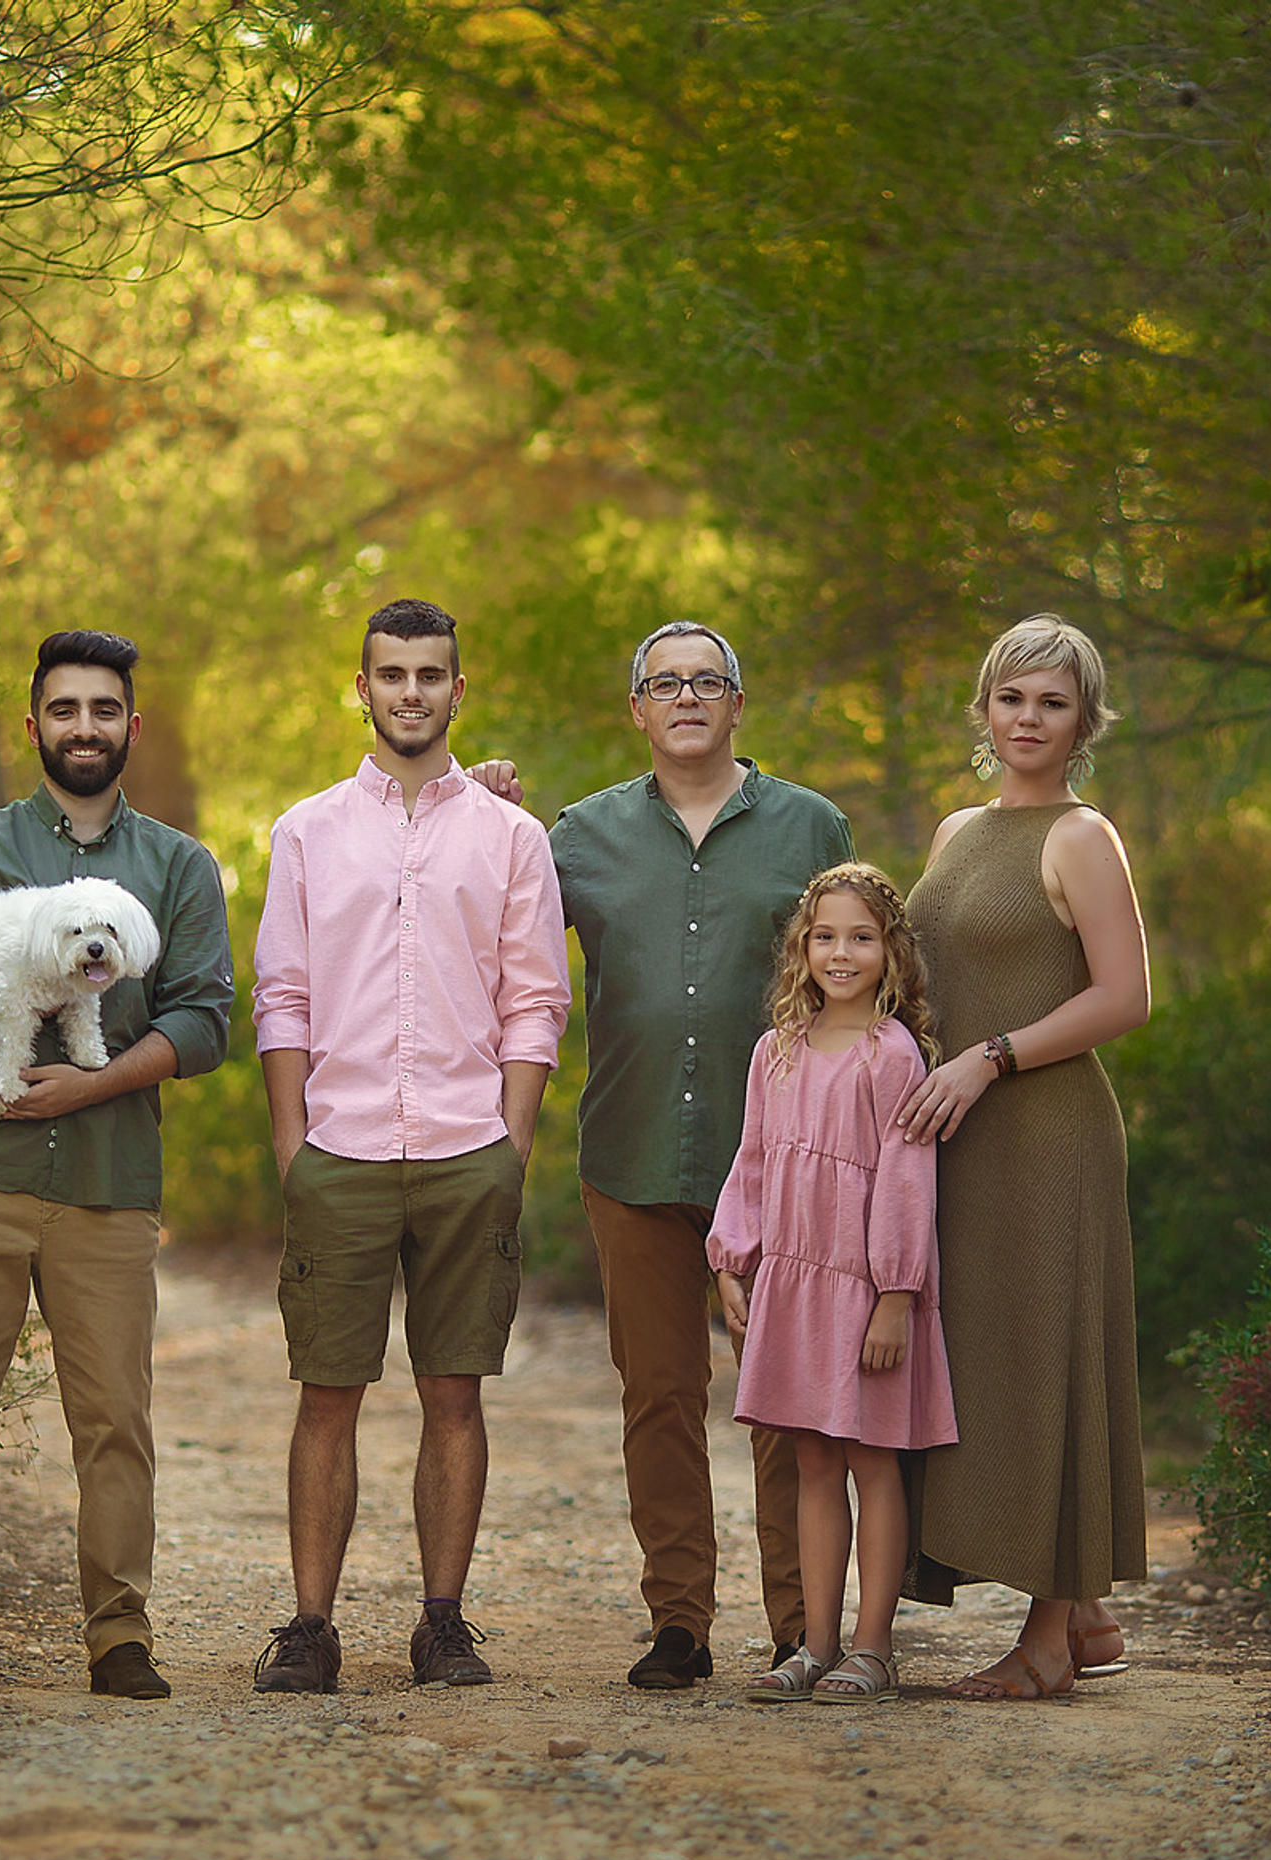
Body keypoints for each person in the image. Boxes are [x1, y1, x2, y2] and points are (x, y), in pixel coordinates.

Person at [0, 628, 234, 1701]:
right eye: (64, 710)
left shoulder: (178, 866)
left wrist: (93, 1080)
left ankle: (120, 1637)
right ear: (36, 726)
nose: (84, 728)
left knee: (114, 1420)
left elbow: (205, 1021)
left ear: (131, 728)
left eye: (103, 711)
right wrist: (4, 1004)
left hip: (109, 1184)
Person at [249, 598, 570, 1695]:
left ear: (458, 689)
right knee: (326, 1392)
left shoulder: (513, 837)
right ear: (364, 686)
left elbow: (535, 1002)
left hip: (465, 1143)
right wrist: (294, 1145)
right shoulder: (306, 830)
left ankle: (443, 1624)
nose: (411, 693)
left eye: (431, 675)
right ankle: (308, 1628)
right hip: (336, 1149)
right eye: (392, 674)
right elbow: (281, 997)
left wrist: (510, 1145)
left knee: (454, 1391)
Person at [547, 620, 855, 1688]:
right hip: (630, 1157)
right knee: (659, 1395)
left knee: (784, 1397)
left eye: (707, 681)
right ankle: (678, 1620)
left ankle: (798, 1623)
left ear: (737, 703)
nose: (687, 697)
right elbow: (500, 949)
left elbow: (865, 976)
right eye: (664, 683)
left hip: (780, 1163)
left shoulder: (814, 827)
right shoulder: (574, 836)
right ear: (635, 708)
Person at [898, 613, 1150, 1700]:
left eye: (1053, 702)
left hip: (1048, 1136)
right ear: (986, 709)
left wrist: (990, 1061)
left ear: (1084, 720)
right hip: (959, 1142)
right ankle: (1086, 1611)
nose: (1029, 719)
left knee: (1049, 1361)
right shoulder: (959, 831)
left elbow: (1124, 997)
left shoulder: (1083, 837)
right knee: (980, 1362)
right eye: (1013, 698)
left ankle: (1048, 1638)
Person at [710, 864, 957, 1705]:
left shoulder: (891, 1057)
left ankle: (873, 1648)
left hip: (866, 1292)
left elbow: (905, 1180)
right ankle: (813, 1645)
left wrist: (895, 1293)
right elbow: (751, 1162)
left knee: (872, 1462)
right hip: (793, 1286)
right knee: (813, 1462)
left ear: (890, 951)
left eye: (861, 937)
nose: (841, 953)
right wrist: (732, 1257)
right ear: (801, 949)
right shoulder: (775, 1051)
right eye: (825, 937)